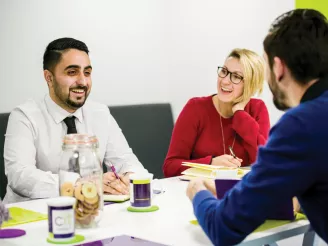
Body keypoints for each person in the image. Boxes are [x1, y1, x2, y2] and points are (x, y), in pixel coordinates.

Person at [186, 9, 328, 245]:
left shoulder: (300, 125)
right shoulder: (197, 107)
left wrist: (198, 191)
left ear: (278, 67)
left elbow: (223, 227)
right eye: (225, 72)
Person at [3, 38, 146, 204]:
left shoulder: (100, 113)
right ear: (49, 77)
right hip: (27, 217)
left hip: (89, 213)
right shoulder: (24, 116)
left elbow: (127, 162)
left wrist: (126, 180)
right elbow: (20, 176)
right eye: (72, 72)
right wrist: (79, 185)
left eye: (87, 73)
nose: (83, 82)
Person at [163, 48, 270, 177]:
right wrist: (210, 163)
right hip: (200, 191)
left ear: (250, 85)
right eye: (224, 71)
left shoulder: (257, 108)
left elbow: (266, 164)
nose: (224, 81)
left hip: (243, 191)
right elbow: (170, 167)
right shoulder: (195, 108)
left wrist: (240, 114)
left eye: (236, 76)